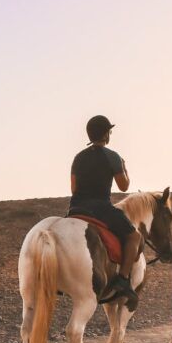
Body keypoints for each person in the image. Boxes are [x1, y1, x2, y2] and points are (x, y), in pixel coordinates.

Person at [67, 115, 142, 306]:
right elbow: (124, 186)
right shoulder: (112, 156)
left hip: (75, 208)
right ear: (106, 134)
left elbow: (74, 189)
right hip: (100, 209)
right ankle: (124, 279)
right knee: (134, 237)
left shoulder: (78, 157)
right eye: (109, 131)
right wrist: (124, 168)